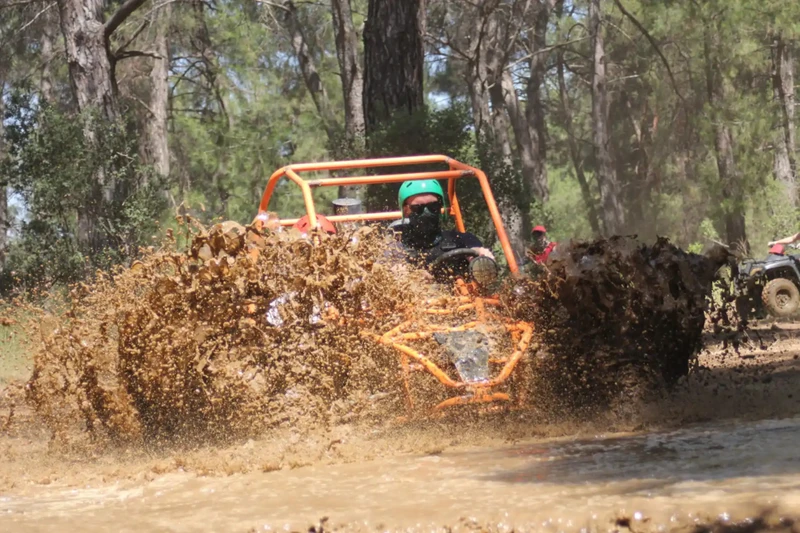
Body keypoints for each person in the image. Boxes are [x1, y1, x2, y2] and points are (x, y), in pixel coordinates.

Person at [392, 179, 493, 278]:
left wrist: (482, 256)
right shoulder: (396, 245)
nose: (426, 212)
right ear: (406, 210)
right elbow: (383, 267)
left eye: (433, 206)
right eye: (418, 208)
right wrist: (401, 273)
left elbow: (476, 249)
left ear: (441, 206)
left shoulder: (461, 239)